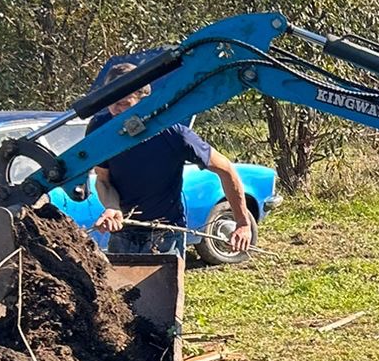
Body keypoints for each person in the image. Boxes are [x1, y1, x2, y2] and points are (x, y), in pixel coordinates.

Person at [86, 53, 254, 258]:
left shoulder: (173, 133)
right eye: (111, 102)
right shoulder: (100, 129)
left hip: (166, 235)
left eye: (124, 103)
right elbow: (103, 179)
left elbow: (226, 170)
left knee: (164, 290)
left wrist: (243, 222)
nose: (116, 110)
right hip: (123, 233)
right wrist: (112, 207)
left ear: (143, 101)